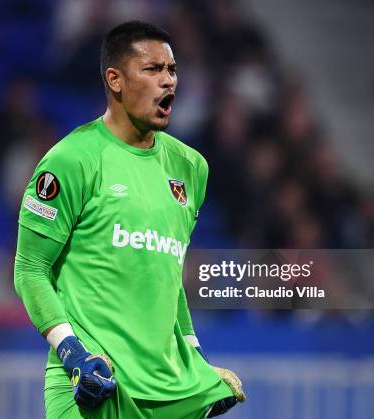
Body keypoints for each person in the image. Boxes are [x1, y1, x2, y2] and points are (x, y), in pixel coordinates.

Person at [14, 21, 246, 418]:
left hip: (169, 391)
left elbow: (168, 275)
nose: (168, 81)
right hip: (93, 383)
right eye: (153, 70)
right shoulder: (71, 160)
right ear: (115, 80)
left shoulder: (191, 167)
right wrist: (73, 355)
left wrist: (195, 356)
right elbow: (30, 269)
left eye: (171, 70)